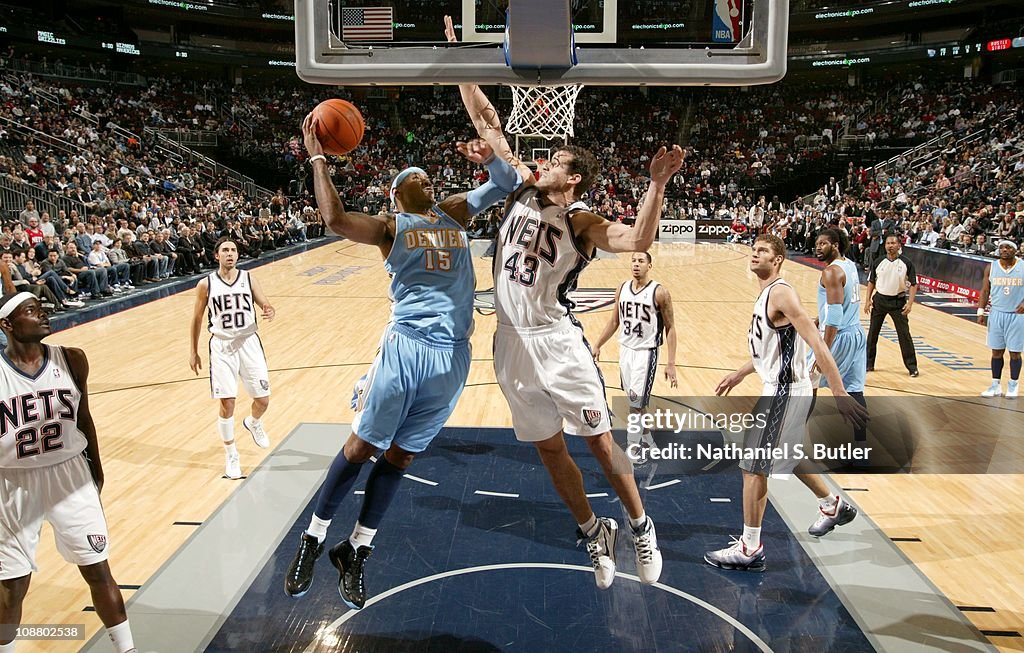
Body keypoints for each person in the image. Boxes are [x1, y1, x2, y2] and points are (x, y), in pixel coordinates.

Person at [449, 13, 685, 590]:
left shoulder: (582, 221)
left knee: (600, 445)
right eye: (547, 160)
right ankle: (592, 532)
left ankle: (640, 525)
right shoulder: (523, 186)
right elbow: (486, 118)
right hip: (510, 344)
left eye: (557, 162)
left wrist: (655, 183)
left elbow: (639, 240)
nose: (546, 161)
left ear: (575, 179)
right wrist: (462, 67)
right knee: (551, 453)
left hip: (557, 341)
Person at [283, 114, 521, 609]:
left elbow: (504, 183)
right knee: (360, 446)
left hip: (453, 355)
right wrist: (318, 158)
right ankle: (313, 538)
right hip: (407, 345)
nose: (427, 181)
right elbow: (334, 219)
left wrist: (490, 157)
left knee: (403, 456)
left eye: (429, 178)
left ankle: (358, 549)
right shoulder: (391, 228)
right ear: (397, 193)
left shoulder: (454, 211)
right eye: (416, 178)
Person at [706, 235, 869, 571]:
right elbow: (770, 350)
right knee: (785, 454)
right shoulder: (768, 293)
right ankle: (831, 504)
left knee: (753, 466)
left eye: (763, 251)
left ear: (778, 259)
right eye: (753, 250)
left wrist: (838, 391)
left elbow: (819, 346)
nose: (755, 255)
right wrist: (740, 373)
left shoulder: (781, 292)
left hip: (785, 391)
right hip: (780, 387)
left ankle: (750, 549)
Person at [0, 292, 137, 653]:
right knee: (12, 585)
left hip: (70, 475)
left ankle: (127, 649)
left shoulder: (72, 359)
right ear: (7, 325)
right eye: (32, 311)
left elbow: (84, 419)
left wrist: (98, 469)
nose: (43, 315)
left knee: (97, 569)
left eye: (43, 308)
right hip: (13, 481)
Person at [188, 238, 276, 479]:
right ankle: (231, 455)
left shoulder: (249, 278)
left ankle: (254, 422)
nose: (230, 254)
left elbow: (264, 302)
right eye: (225, 250)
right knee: (227, 402)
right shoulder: (205, 284)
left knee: (264, 400)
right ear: (216, 255)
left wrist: (268, 309)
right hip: (221, 346)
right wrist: (193, 351)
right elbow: (196, 318)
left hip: (249, 343)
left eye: (233, 250)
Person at [591, 251, 678, 447]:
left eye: (641, 261)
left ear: (649, 266)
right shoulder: (622, 288)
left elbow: (671, 328)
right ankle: (647, 438)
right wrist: (598, 344)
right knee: (636, 403)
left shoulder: (659, 292)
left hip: (646, 353)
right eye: (633, 261)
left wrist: (671, 363)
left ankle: (633, 449)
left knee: (634, 404)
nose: (636, 264)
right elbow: (614, 321)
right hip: (625, 351)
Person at [813, 229, 868, 446]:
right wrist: (820, 317)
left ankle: (790, 440)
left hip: (838, 336)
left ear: (835, 245)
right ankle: (861, 447)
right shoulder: (850, 265)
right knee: (854, 390)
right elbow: (841, 301)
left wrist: (822, 350)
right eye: (817, 243)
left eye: (823, 243)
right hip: (856, 333)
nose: (818, 247)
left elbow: (835, 315)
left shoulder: (831, 272)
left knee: (807, 384)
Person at [864, 234, 919, 376]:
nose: (890, 245)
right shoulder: (878, 261)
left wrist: (910, 304)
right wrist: (867, 300)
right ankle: (868, 364)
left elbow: (913, 284)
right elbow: (871, 281)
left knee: (904, 335)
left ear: (899, 245)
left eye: (893, 243)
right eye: (888, 243)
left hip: (898, 302)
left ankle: (912, 367)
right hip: (879, 301)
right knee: (872, 334)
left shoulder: (906, 263)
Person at [978, 240, 1024, 398]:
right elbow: (985, 290)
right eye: (1002, 247)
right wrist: (980, 311)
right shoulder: (991, 267)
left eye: (1008, 247)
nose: (1004, 250)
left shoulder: (1022, 266)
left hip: (1017, 315)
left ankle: (1013, 385)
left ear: (1015, 250)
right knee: (996, 352)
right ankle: (995, 385)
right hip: (996, 313)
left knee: (1015, 353)